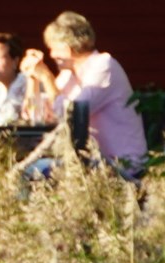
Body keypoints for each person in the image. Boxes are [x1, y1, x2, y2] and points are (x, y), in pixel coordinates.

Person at [22, 11, 148, 178]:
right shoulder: (70, 74)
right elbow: (39, 116)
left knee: (35, 172)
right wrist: (33, 78)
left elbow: (70, 115)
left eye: (52, 48)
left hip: (121, 166)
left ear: (66, 49)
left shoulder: (104, 66)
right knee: (29, 169)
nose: (51, 55)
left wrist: (46, 77)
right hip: (90, 161)